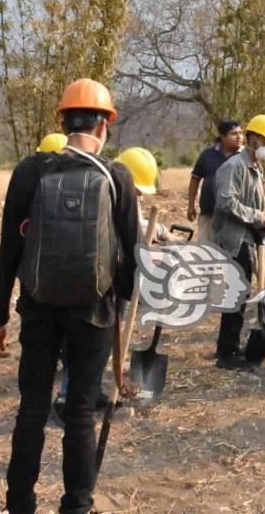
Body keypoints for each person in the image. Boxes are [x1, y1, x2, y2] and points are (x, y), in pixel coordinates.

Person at [0, 78, 140, 512]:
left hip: (37, 308)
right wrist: (121, 311)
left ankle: (20, 504)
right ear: (105, 125)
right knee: (79, 412)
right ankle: (76, 505)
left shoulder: (30, 171)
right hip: (94, 313)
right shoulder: (118, 176)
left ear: (63, 120)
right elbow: (133, 257)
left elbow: (9, 249)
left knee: (32, 409)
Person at [52, 146, 177, 426]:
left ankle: (92, 390)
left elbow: (138, 224)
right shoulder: (103, 197)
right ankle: (66, 397)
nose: (140, 196)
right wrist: (152, 233)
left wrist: (156, 234)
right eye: (138, 190)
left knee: (101, 344)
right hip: (95, 284)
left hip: (114, 281)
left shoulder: (121, 194)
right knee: (80, 345)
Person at [212, 114, 265, 371]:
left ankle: (228, 346)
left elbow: (253, 204)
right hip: (233, 240)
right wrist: (256, 216)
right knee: (235, 296)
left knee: (240, 296)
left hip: (248, 240)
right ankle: (226, 353)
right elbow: (226, 202)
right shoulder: (234, 167)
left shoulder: (256, 169)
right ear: (253, 139)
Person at [188, 120, 243, 242]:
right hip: (209, 214)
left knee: (231, 256)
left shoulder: (245, 157)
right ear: (222, 137)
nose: (239, 137)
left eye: (241, 133)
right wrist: (191, 205)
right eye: (234, 134)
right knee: (207, 253)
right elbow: (195, 179)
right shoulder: (208, 155)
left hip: (235, 217)